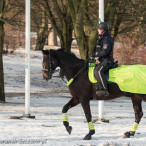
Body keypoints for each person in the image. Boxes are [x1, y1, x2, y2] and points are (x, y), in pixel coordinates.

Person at [90, 22, 114, 96]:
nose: (98, 31)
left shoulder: (107, 40)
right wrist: (93, 55)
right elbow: (98, 50)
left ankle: (104, 89)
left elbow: (104, 52)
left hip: (107, 61)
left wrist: (95, 54)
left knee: (98, 71)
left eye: (99, 29)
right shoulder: (101, 39)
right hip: (102, 60)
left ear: (103, 31)